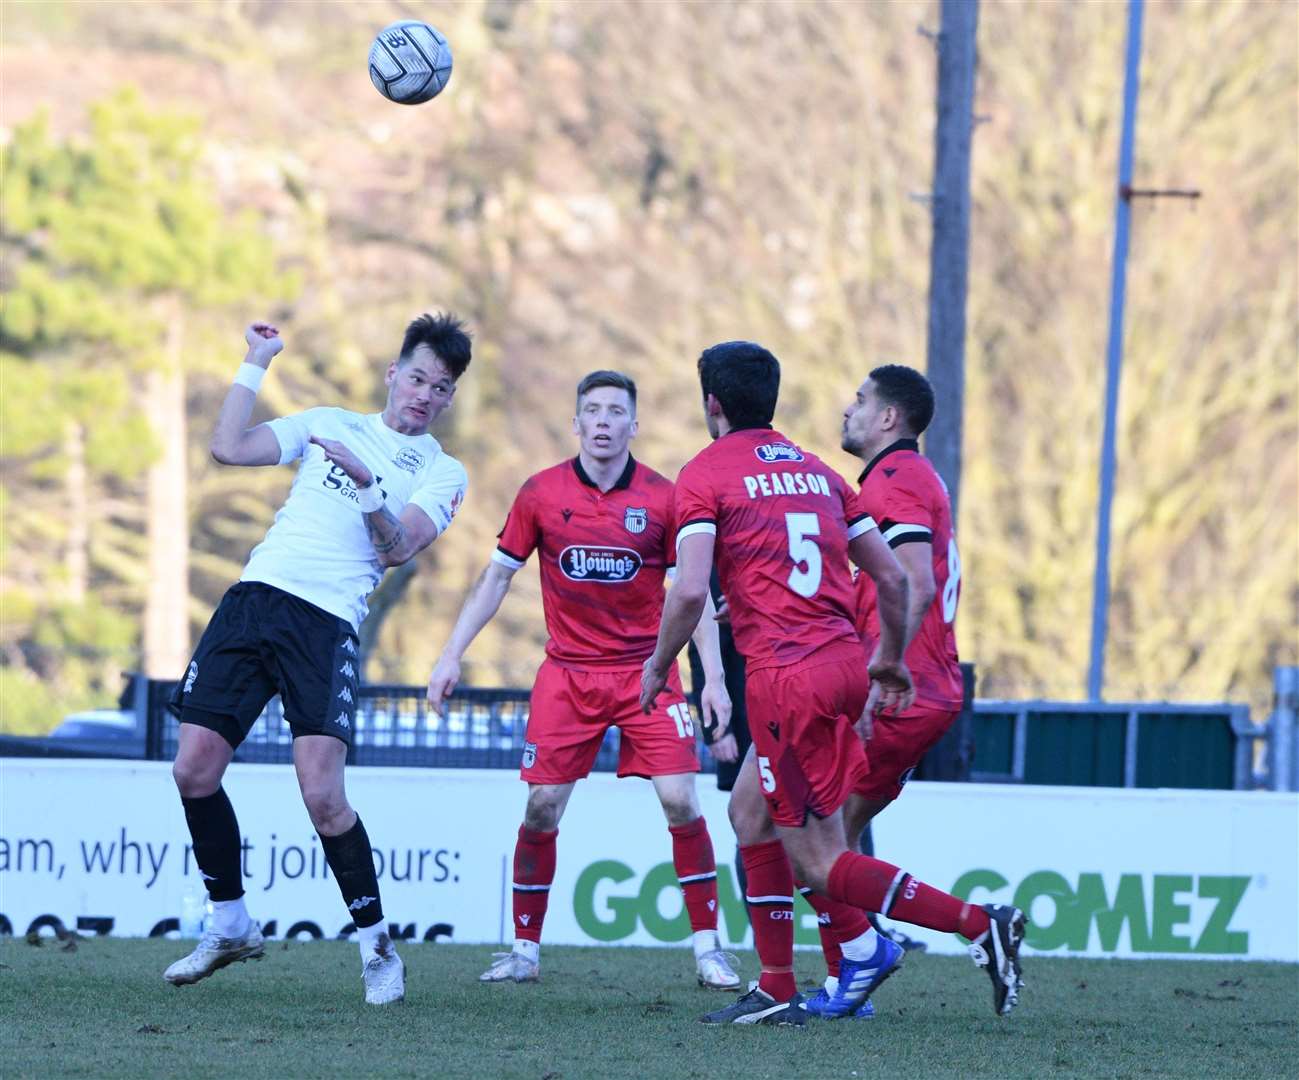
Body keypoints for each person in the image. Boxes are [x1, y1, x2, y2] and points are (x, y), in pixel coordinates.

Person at [640, 341, 1025, 1027]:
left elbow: (688, 590)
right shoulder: (819, 473)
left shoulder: (703, 473)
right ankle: (777, 986)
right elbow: (888, 576)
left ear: (712, 405)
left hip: (789, 682)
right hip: (847, 666)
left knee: (817, 859)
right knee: (748, 815)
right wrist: (889, 660)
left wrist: (656, 663)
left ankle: (971, 923)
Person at [164, 315, 473, 1006]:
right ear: (393, 375)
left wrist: (368, 485)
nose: (424, 395)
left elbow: (396, 549)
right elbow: (227, 447)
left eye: (440, 388)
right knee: (192, 768)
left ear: (449, 399)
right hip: (253, 601)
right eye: (417, 378)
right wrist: (257, 362)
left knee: (322, 795)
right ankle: (230, 923)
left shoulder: (442, 472)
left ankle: (376, 950)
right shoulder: (330, 420)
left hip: (324, 621)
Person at [426, 370, 740, 990]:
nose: (602, 421)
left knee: (681, 801)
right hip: (568, 677)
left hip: (648, 675)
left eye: (615, 411)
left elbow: (693, 594)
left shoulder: (664, 497)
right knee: (542, 808)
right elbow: (496, 579)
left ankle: (709, 951)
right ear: (575, 423)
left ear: (633, 424)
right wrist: (450, 653)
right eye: (591, 410)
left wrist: (714, 677)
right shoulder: (540, 494)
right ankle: (523, 951)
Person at [797, 364, 970, 1019]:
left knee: (803, 842)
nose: (848, 410)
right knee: (828, 845)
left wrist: (882, 669)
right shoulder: (905, 479)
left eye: (859, 401)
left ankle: (944, 934)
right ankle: (852, 979)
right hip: (927, 691)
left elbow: (915, 583)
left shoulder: (895, 479)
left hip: (899, 694)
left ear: (888, 419)